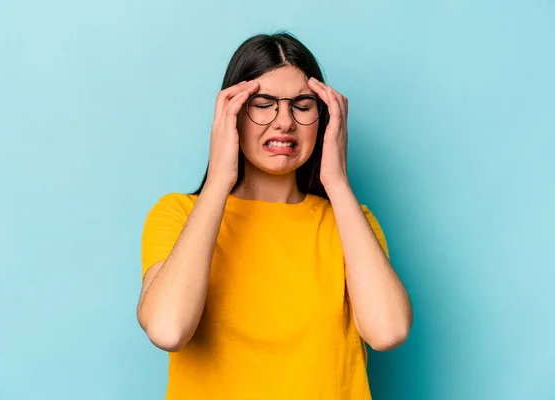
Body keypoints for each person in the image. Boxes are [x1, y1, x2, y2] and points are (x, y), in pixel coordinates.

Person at [137, 31, 413, 399]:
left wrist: (337, 181)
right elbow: (168, 329)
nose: (284, 121)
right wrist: (220, 177)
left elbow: (389, 331)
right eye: (263, 103)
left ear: (325, 118)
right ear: (231, 113)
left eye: (302, 105)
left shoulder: (350, 222)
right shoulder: (177, 214)